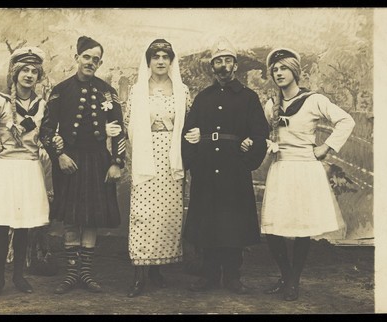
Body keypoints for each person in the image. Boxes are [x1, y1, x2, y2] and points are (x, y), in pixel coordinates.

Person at [246, 48, 355, 301]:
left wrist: (325, 147)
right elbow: (265, 133)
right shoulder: (271, 105)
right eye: (275, 69)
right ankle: (285, 275)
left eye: (283, 68)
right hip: (281, 169)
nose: (278, 73)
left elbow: (346, 121)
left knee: (302, 228)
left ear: (294, 71)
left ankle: (293, 281)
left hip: (305, 169)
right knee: (273, 229)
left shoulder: (314, 100)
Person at [0, 47, 62, 297]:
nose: (29, 75)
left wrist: (53, 146)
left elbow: (47, 133)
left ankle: (19, 276)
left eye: (34, 71)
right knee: (2, 226)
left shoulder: (42, 105)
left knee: (23, 226)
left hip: (29, 168)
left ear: (38, 76)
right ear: (15, 73)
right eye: (24, 70)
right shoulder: (0, 101)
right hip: (4, 168)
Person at [181, 36, 269, 294]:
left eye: (227, 60)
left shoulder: (249, 97)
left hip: (234, 170)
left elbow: (260, 132)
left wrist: (248, 156)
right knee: (208, 221)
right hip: (207, 168)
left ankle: (232, 276)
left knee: (232, 223)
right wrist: (194, 160)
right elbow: (189, 131)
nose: (223, 65)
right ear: (212, 67)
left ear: (235, 65)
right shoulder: (203, 98)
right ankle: (208, 275)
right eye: (218, 61)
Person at [39, 36, 126, 294]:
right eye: (86, 57)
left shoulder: (107, 91)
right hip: (69, 161)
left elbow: (120, 132)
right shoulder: (61, 90)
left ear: (100, 63)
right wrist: (60, 156)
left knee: (90, 219)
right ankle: (71, 274)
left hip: (98, 161)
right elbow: (45, 130)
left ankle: (86, 274)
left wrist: (116, 162)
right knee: (70, 219)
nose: (91, 62)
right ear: (76, 57)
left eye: (96, 59)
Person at [123, 39, 191, 297]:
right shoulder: (137, 90)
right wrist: (140, 149)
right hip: (146, 155)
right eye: (156, 56)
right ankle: (139, 274)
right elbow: (129, 123)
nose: (161, 61)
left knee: (166, 215)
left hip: (172, 157)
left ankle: (156, 269)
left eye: (166, 56)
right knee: (142, 214)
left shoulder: (181, 90)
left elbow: (186, 125)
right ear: (148, 61)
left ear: (171, 60)